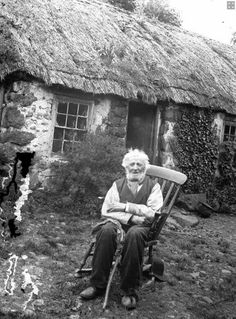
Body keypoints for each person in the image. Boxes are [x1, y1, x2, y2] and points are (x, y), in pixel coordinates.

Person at [80, 149, 163, 309]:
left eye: (140, 164)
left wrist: (124, 206)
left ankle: (129, 290)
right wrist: (131, 217)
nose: (135, 167)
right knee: (105, 231)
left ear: (145, 167)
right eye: (132, 164)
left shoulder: (153, 186)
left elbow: (151, 213)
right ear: (126, 167)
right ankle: (97, 284)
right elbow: (106, 210)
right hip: (119, 223)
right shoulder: (117, 185)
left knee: (134, 235)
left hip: (142, 227)